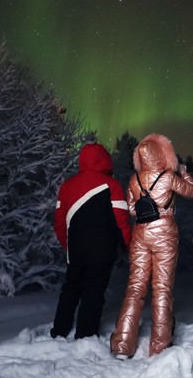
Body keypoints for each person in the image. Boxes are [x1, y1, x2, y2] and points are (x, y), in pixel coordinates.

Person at [110, 133, 193, 359]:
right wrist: (184, 173)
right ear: (162, 154)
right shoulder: (168, 177)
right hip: (164, 235)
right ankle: (159, 346)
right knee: (162, 289)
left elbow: (132, 210)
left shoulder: (134, 180)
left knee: (135, 288)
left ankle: (122, 344)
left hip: (140, 235)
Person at [51, 143, 132, 339]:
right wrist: (128, 246)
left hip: (76, 251)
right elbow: (121, 221)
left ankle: (59, 331)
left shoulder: (67, 186)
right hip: (103, 251)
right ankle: (85, 335)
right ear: (105, 160)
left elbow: (59, 223)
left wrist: (68, 246)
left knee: (70, 289)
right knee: (94, 292)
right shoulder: (111, 185)